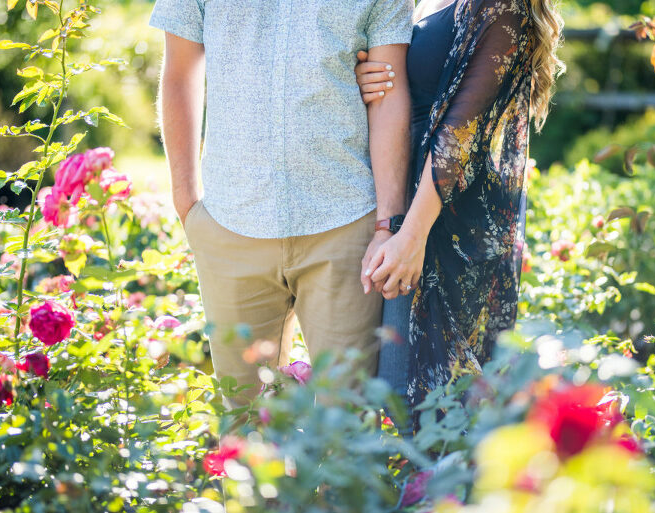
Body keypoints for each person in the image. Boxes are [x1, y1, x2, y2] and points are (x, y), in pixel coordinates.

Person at [149, 0, 414, 412]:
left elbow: (388, 92)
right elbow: (180, 73)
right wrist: (187, 202)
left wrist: (387, 222)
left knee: (345, 426)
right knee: (244, 426)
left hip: (345, 225)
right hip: (229, 224)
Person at [354, 0, 565, 414]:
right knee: (382, 388)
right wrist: (370, 76)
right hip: (400, 208)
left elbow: (460, 134)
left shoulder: (504, 6)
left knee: (419, 401)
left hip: (444, 221)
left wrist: (411, 235)